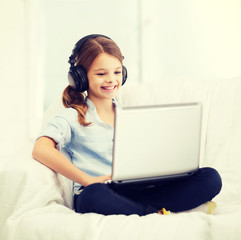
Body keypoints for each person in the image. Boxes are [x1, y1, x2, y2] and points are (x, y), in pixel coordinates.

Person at [32, 34, 222, 216]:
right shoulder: (73, 116)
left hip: (137, 188)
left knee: (210, 178)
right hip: (101, 191)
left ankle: (141, 209)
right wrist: (86, 180)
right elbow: (41, 149)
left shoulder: (129, 115)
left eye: (116, 72)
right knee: (93, 196)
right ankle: (153, 212)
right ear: (80, 77)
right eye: (101, 73)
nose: (111, 79)